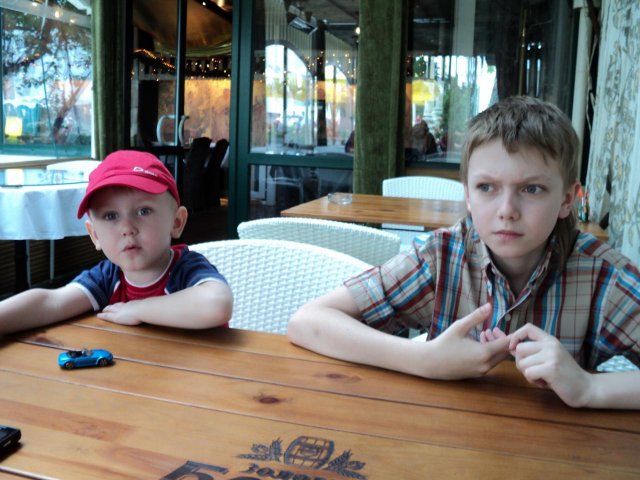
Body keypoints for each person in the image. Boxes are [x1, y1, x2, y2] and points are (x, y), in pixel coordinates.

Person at [287, 96, 640, 409]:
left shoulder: (603, 276)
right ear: (468, 196)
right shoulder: (441, 257)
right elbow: (308, 321)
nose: (507, 210)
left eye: (532, 189)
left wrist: (589, 388)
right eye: (487, 187)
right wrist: (423, 358)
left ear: (567, 199)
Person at [0, 150, 233, 337]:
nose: (127, 228)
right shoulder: (106, 277)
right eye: (110, 216)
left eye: (143, 211)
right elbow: (51, 302)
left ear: (177, 222)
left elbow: (217, 304)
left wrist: (138, 309)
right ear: (95, 236)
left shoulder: (186, 268)